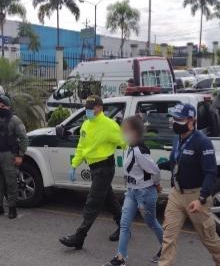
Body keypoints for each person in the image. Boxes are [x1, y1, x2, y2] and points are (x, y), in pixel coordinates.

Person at [157, 102, 220, 266]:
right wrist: (158, 166)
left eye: (179, 120)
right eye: (174, 119)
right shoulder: (177, 139)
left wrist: (202, 198)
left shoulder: (202, 142)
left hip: (196, 196)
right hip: (176, 194)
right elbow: (176, 164)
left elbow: (211, 173)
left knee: (208, 237)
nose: (175, 123)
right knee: (168, 235)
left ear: (192, 121)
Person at [59, 96, 124, 249]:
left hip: (105, 168)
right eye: (86, 108)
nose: (88, 111)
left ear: (99, 107)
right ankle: (124, 226)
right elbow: (81, 148)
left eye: (91, 108)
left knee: (92, 202)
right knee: (109, 199)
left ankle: (79, 236)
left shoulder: (110, 125)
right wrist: (74, 165)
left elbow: (124, 142)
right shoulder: (85, 125)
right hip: (94, 167)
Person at [108, 114, 165, 266]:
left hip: (144, 194)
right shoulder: (130, 148)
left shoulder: (140, 151)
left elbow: (156, 171)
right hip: (132, 193)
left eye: (125, 130)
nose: (122, 133)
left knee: (151, 222)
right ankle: (120, 258)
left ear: (134, 132)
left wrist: (157, 185)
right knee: (124, 224)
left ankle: (166, 248)